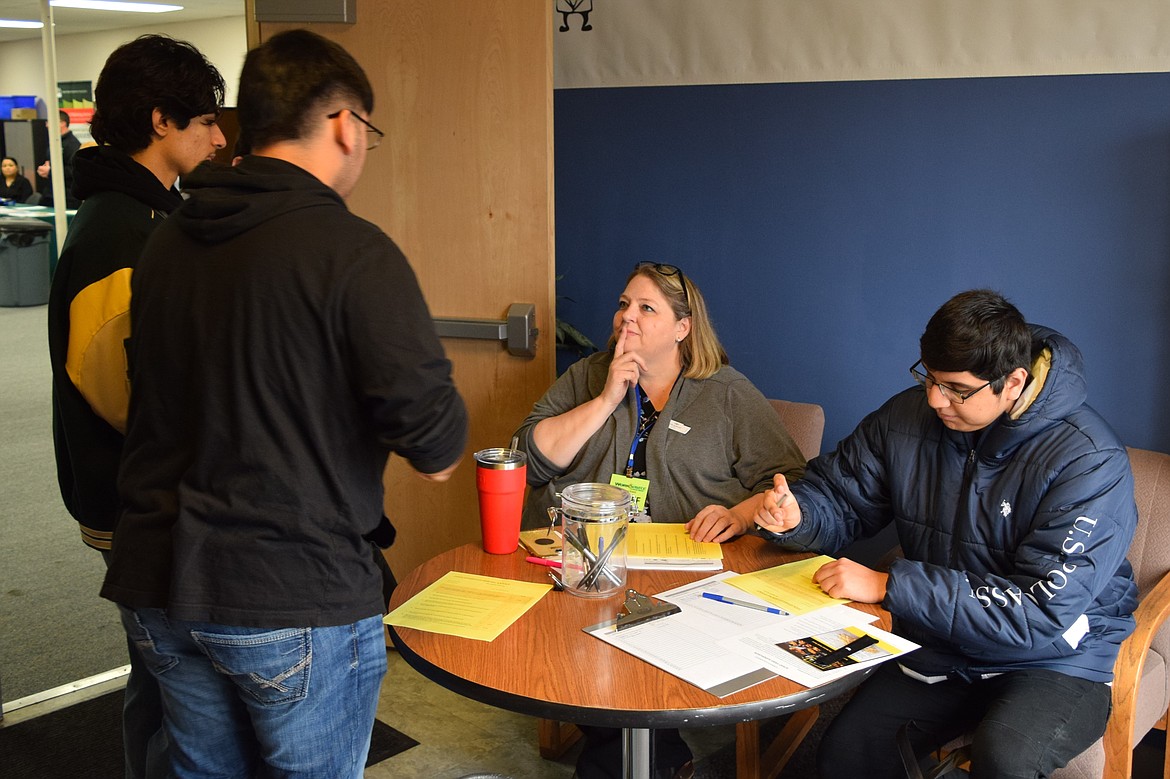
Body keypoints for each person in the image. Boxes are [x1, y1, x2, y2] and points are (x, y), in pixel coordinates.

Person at [100, 28, 468, 778]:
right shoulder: (353, 254)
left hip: (159, 581)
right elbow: (436, 447)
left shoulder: (166, 244)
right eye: (367, 130)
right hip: (289, 594)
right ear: (343, 124)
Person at [754, 289, 1138, 779]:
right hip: (944, 641)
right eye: (929, 379)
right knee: (848, 754)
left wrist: (890, 586)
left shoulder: (1089, 460)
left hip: (1056, 656)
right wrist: (800, 515)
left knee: (1007, 758)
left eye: (956, 389)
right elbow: (843, 496)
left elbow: (1040, 611)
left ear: (1013, 382)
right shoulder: (906, 417)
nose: (935, 399)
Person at [513, 262, 806, 779]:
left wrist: (738, 515)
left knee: (631, 651)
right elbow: (530, 459)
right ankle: (656, 759)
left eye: (646, 308)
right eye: (624, 303)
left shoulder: (725, 392)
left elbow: (789, 484)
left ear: (682, 328)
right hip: (585, 562)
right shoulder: (587, 374)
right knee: (587, 646)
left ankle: (638, 760)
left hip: (685, 573)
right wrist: (606, 398)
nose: (628, 316)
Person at [46, 34, 226, 779]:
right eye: (207, 120)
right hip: (137, 505)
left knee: (160, 683)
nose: (219, 136)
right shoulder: (119, 236)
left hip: (144, 499)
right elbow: (134, 402)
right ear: (161, 121)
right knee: (177, 698)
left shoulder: (147, 218)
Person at [37, 109, 82, 207]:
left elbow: (73, 170)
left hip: (67, 196)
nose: (47, 125)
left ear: (62, 123)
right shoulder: (55, 142)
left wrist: (50, 171)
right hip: (51, 193)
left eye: (49, 122)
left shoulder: (72, 144)